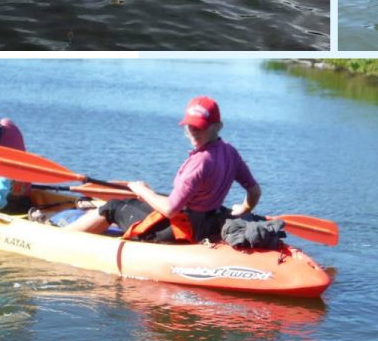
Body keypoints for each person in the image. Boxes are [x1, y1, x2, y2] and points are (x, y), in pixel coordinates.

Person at [59, 96, 261, 244]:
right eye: (190, 126)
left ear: (218, 126)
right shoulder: (230, 152)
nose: (193, 132)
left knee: (112, 206)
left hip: (181, 229)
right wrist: (244, 209)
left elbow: (170, 210)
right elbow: (254, 191)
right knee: (132, 201)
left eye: (200, 126)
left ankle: (60, 239)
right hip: (206, 223)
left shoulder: (200, 162)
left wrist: (142, 191)